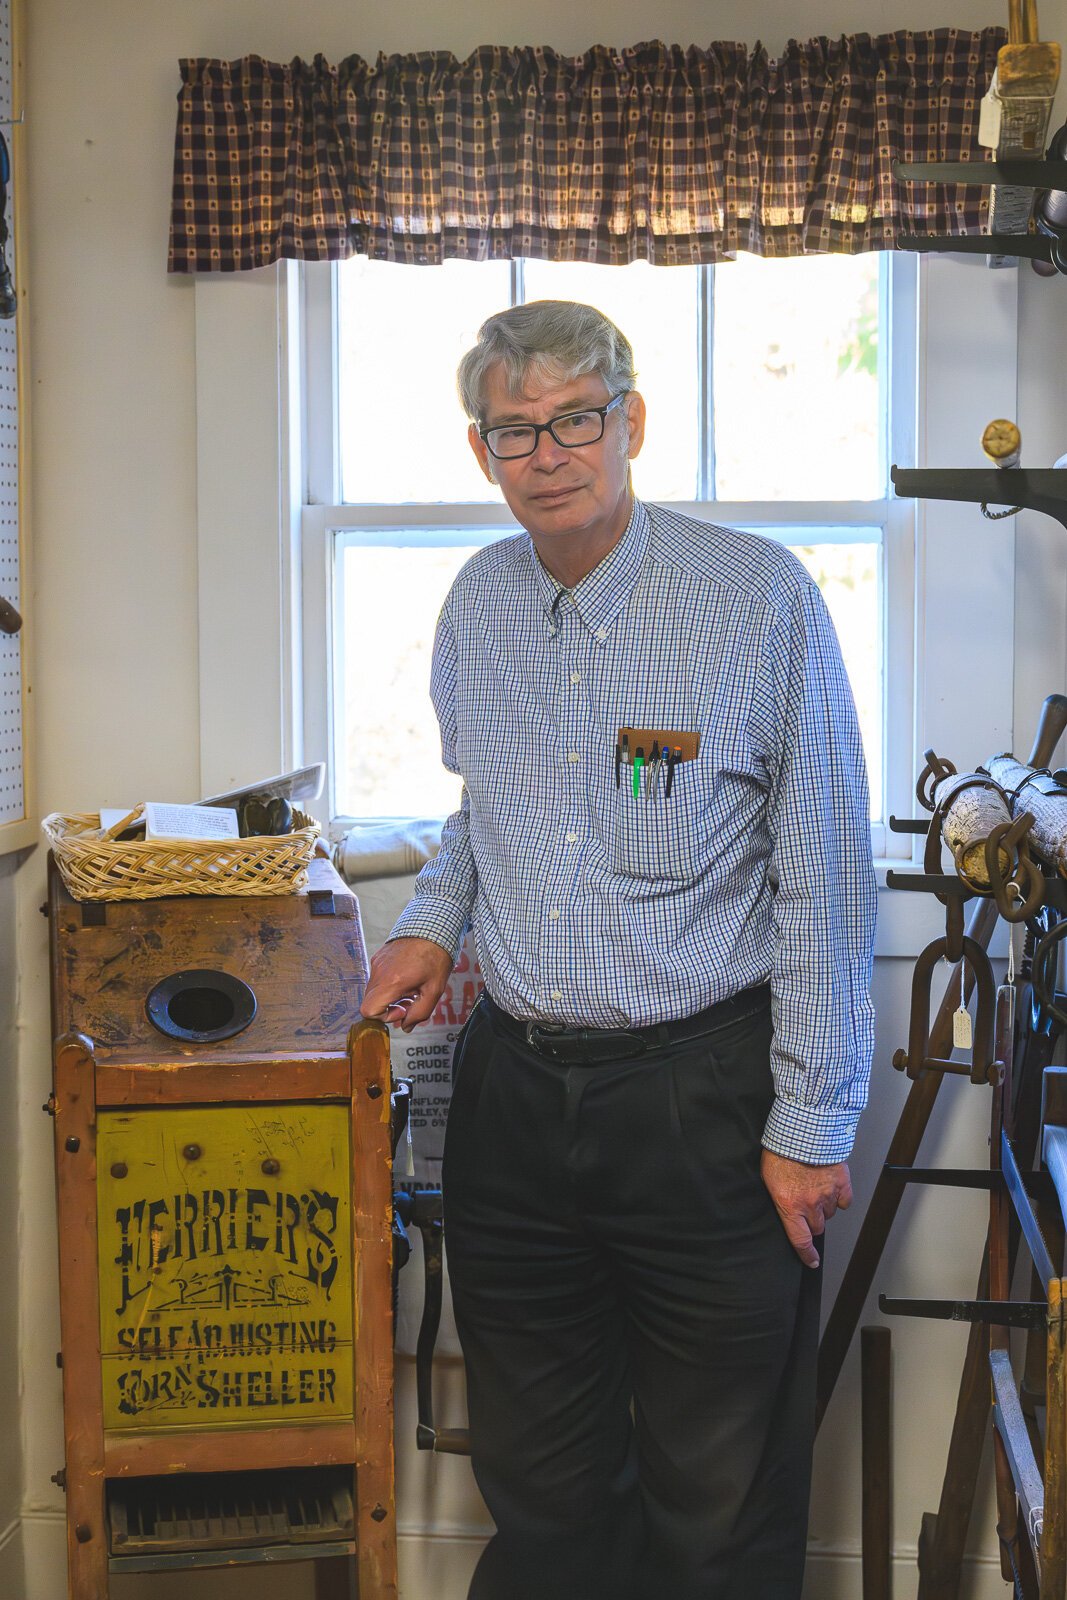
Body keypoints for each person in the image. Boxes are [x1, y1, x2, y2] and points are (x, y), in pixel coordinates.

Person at [362, 299, 877, 1600]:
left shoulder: (755, 598)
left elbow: (826, 867)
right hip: (514, 1101)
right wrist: (428, 925)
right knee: (542, 1483)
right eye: (515, 430)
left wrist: (812, 1122)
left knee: (719, 1496)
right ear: (482, 449)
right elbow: (484, 811)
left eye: (575, 420)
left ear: (631, 422)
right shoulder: (479, 604)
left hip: (704, 1101)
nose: (548, 454)